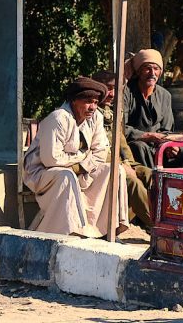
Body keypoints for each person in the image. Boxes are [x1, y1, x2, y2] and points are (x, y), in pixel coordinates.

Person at [22, 77, 130, 238]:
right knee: (66, 176)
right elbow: (51, 159)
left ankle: (107, 232)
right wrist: (81, 158)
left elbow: (100, 151)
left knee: (115, 170)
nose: (92, 107)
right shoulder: (58, 118)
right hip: (42, 174)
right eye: (87, 102)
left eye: (95, 102)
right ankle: (69, 232)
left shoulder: (96, 118)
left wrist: (81, 167)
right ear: (74, 101)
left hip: (81, 171)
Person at [121, 48, 183, 170]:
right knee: (139, 147)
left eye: (156, 69)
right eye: (147, 68)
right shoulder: (126, 92)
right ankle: (150, 186)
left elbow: (167, 129)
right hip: (137, 145)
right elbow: (122, 128)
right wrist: (148, 136)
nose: (152, 73)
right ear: (138, 71)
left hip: (159, 146)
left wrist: (169, 145)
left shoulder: (165, 95)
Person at [93, 70, 154, 227]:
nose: (112, 94)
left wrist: (129, 162)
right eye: (108, 88)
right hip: (101, 164)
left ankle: (173, 218)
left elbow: (121, 140)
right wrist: (122, 166)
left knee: (153, 176)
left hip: (121, 162)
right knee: (133, 182)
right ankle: (157, 225)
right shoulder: (90, 112)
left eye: (116, 89)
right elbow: (94, 150)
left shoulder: (114, 111)